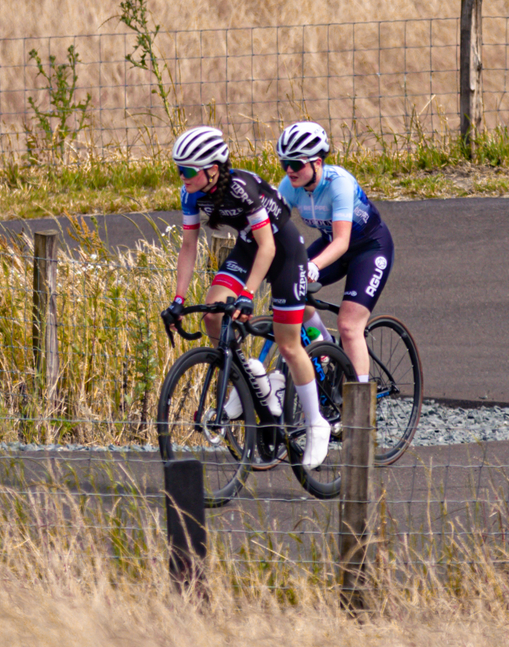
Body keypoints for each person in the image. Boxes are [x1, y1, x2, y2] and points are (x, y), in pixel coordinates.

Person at [166, 125, 330, 470]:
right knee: (212, 314)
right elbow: (188, 245)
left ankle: (317, 422)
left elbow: (268, 246)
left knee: (288, 344)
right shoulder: (192, 193)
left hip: (283, 251)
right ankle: (249, 378)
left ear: (213, 169)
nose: (182, 177)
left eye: (188, 170)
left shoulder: (241, 188)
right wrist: (178, 299)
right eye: (178, 170)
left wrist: (247, 295)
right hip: (247, 247)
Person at [275, 120, 393, 384]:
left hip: (369, 249)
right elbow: (271, 230)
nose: (289, 171)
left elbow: (342, 241)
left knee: (349, 327)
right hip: (332, 245)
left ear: (317, 162)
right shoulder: (289, 186)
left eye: (296, 164)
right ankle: (324, 345)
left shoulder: (339, 184)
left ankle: (360, 407)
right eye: (284, 164)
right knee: (291, 289)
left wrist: (313, 267)